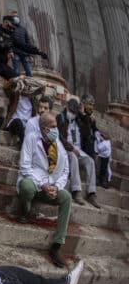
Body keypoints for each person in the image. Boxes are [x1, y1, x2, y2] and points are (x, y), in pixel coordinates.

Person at [17, 113, 73, 267]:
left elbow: (65, 170)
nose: (56, 129)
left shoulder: (58, 144)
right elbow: (24, 166)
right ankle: (25, 209)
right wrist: (41, 184)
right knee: (26, 187)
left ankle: (56, 245)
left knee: (66, 197)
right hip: (35, 184)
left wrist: (57, 187)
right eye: (53, 127)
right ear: (44, 128)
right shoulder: (31, 138)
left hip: (50, 188)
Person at [57, 99, 100, 208]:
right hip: (66, 149)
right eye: (71, 111)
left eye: (74, 112)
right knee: (73, 157)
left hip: (79, 150)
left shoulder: (78, 120)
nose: (72, 114)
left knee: (90, 161)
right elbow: (59, 137)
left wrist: (83, 115)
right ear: (67, 107)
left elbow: (87, 133)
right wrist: (71, 148)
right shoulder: (60, 118)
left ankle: (92, 193)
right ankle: (76, 191)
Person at [3, 76, 47, 147]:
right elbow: (6, 88)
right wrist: (17, 78)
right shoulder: (16, 94)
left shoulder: (33, 100)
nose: (28, 88)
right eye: (26, 85)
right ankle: (24, 143)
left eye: (30, 87)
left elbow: (43, 103)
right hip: (14, 123)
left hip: (26, 126)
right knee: (18, 122)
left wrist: (42, 90)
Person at [80, 94, 111, 189]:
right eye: (90, 104)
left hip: (92, 141)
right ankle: (94, 177)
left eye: (93, 105)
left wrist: (99, 135)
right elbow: (84, 130)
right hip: (82, 142)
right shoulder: (79, 114)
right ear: (83, 104)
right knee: (90, 140)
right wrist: (86, 116)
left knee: (106, 145)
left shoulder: (91, 116)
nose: (91, 107)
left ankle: (103, 176)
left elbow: (94, 129)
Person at [10, 11, 48, 77]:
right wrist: (10, 51)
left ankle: (29, 86)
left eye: (17, 17)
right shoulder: (9, 29)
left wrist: (31, 55)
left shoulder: (23, 29)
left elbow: (28, 42)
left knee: (29, 72)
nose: (16, 18)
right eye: (14, 17)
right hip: (15, 53)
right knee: (16, 72)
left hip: (25, 54)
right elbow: (8, 41)